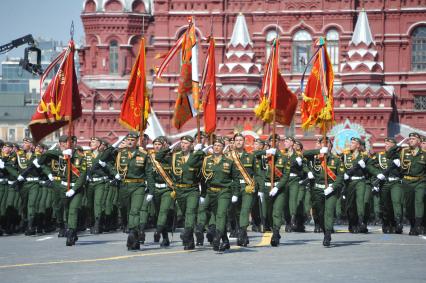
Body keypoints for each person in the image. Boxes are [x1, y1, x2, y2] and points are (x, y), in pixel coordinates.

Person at [156, 135, 206, 250]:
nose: (183, 145)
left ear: (191, 145)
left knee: (190, 212)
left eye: (186, 143)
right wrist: (169, 148)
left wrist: (199, 150)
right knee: (185, 214)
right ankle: (190, 241)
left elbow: (202, 168)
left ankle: (187, 234)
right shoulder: (174, 157)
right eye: (182, 142)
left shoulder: (196, 156)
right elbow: (158, 157)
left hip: (192, 189)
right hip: (179, 190)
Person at [200, 137, 239, 251]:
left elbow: (235, 179)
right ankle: (225, 240)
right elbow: (202, 178)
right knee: (205, 211)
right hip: (210, 192)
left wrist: (235, 193)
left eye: (219, 146)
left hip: (224, 191)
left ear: (223, 148)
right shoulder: (206, 160)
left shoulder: (229, 161)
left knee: (221, 214)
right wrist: (202, 194)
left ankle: (217, 237)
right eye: (215, 145)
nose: (216, 147)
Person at [303, 137, 344, 246]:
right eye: (323, 143)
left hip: (330, 190)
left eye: (327, 143)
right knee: (320, 213)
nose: (325, 145)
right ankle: (325, 230)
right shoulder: (315, 157)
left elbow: (340, 176)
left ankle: (328, 234)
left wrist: (332, 187)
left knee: (329, 212)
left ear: (331, 146)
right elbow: (304, 153)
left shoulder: (336, 159)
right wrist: (319, 151)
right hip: (317, 189)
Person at [400, 132, 426, 235]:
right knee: (409, 205)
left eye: (413, 139)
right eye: (409, 138)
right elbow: (389, 154)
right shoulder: (404, 151)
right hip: (407, 181)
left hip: (421, 181)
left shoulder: (424, 154)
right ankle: (412, 224)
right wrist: (399, 144)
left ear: (419, 141)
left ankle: (417, 226)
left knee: (419, 201)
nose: (411, 140)